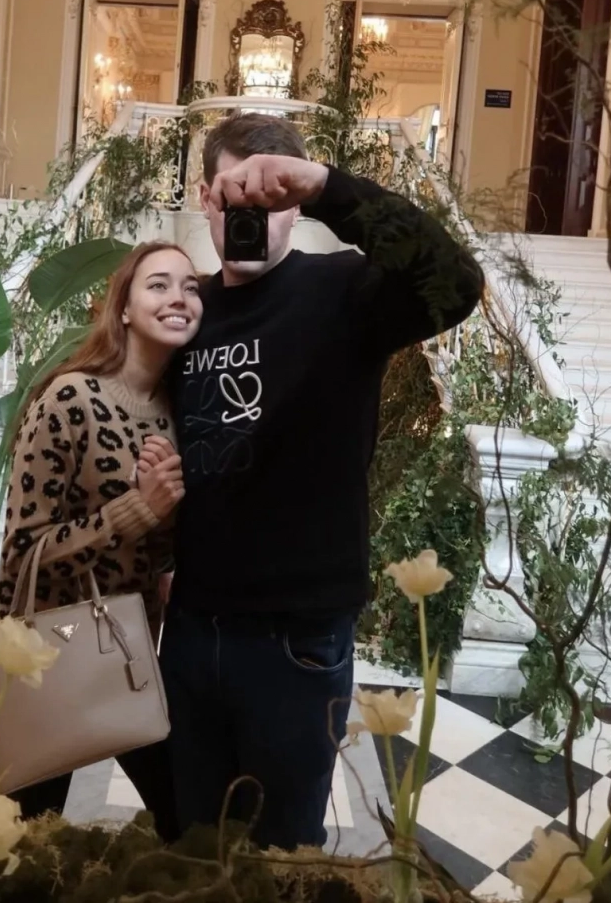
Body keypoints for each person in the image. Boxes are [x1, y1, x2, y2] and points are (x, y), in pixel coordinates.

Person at [146, 113, 485, 852]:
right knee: (189, 846)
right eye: (233, 198)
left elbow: (456, 281)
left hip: (296, 641)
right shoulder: (186, 312)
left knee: (283, 856)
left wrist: (330, 187)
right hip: (192, 629)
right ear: (204, 198)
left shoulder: (344, 292)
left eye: (271, 199)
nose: (251, 218)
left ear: (294, 206)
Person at [0, 241, 203, 841]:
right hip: (54, 663)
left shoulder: (178, 413)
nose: (178, 298)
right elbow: (23, 556)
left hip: (132, 657)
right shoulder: (70, 398)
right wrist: (137, 509)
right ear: (124, 309)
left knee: (186, 823)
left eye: (191, 287)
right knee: (22, 843)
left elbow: (158, 547)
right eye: (159, 285)